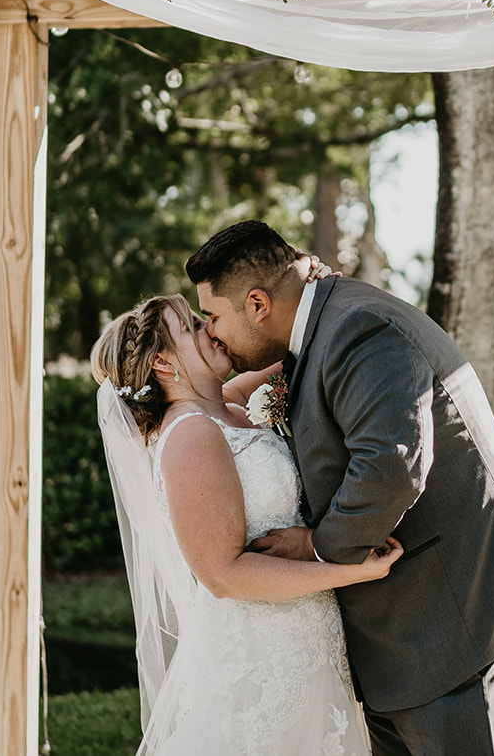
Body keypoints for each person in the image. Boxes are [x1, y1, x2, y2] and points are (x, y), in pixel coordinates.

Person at [187, 220, 494, 756]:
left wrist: (315, 547)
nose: (211, 332)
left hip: (459, 613)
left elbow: (391, 465)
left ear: (258, 303)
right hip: (414, 627)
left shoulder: (358, 326)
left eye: (214, 317)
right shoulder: (324, 324)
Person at [92, 291, 403, 756]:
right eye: (195, 326)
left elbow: (297, 345)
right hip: (263, 655)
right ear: (162, 362)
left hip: (307, 639)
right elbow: (223, 574)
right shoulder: (191, 433)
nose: (211, 328)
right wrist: (350, 570)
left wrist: (309, 289)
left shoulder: (227, 407)